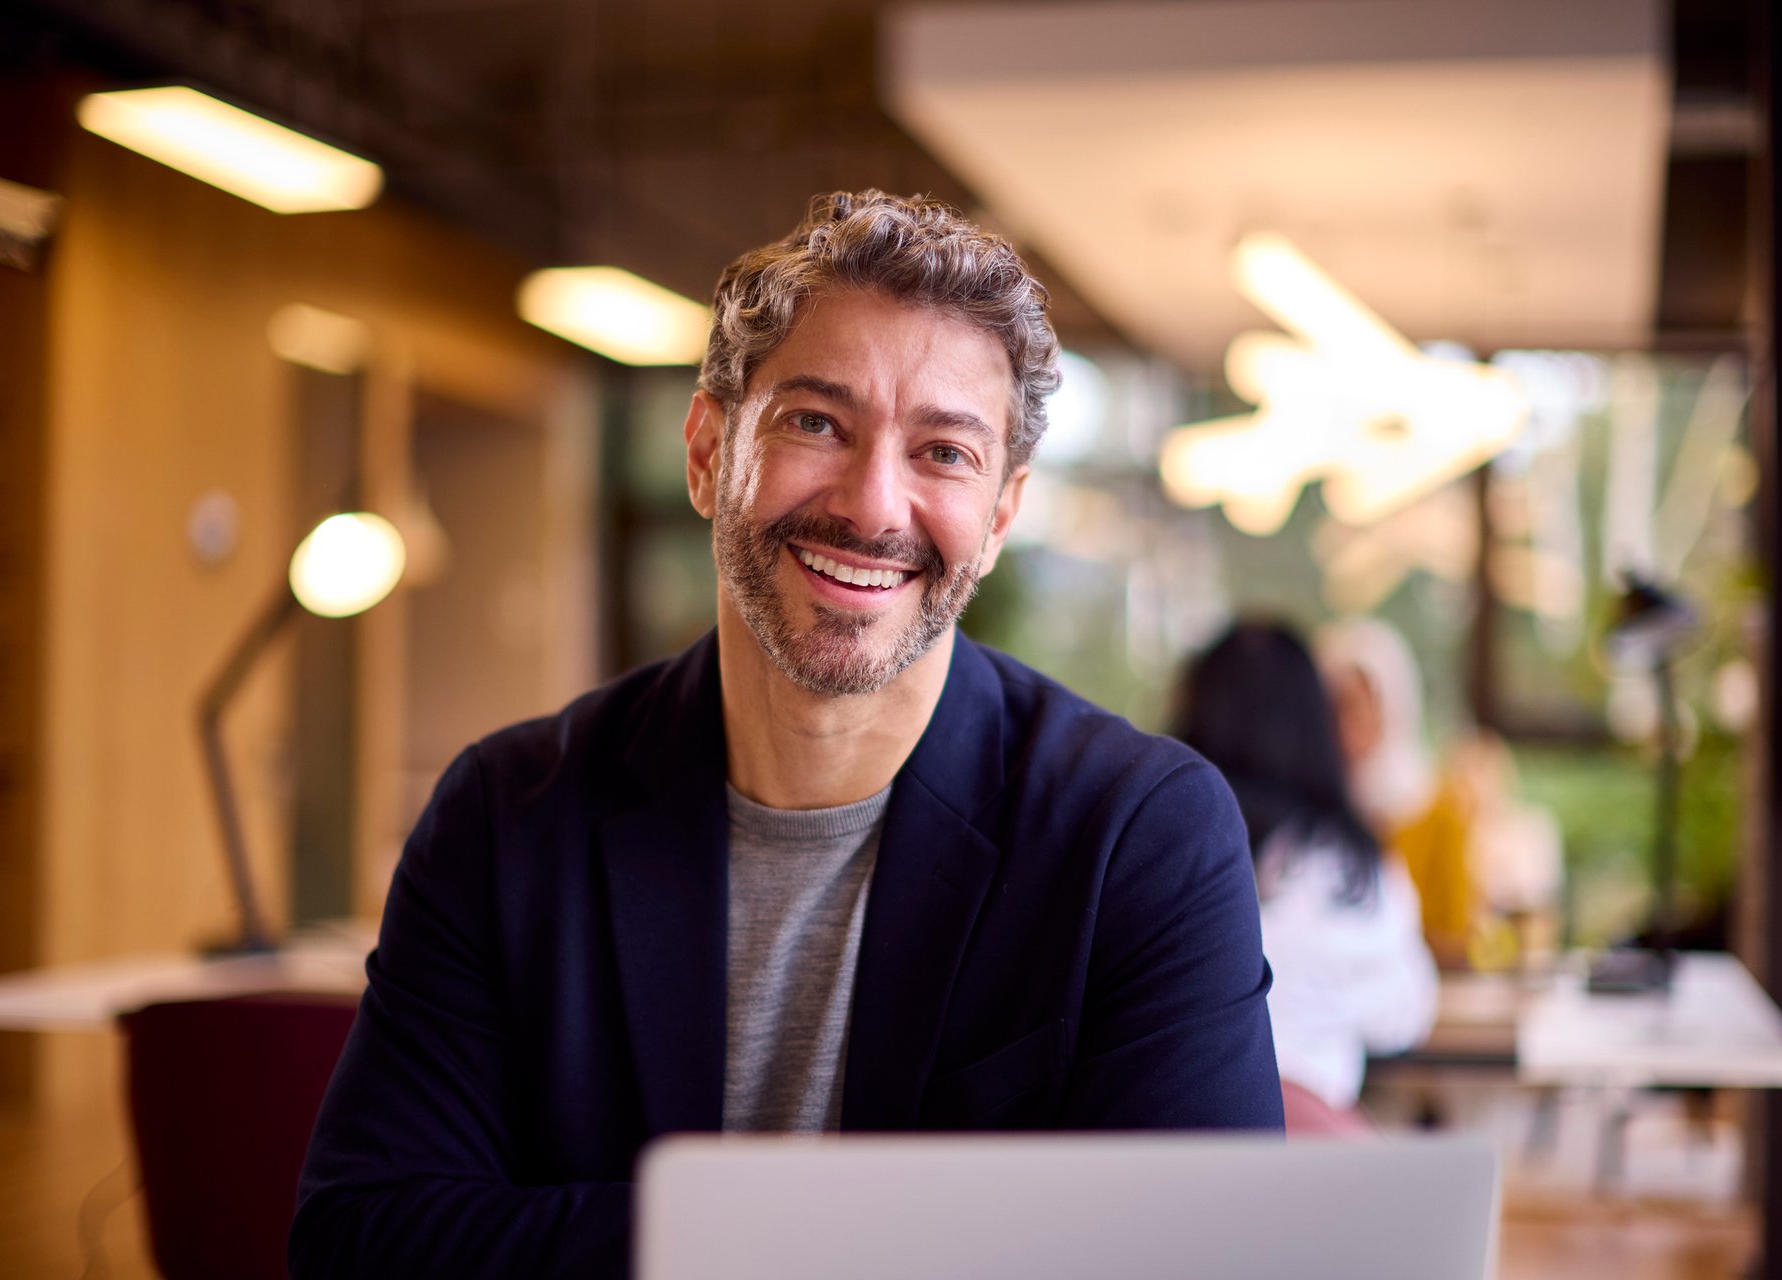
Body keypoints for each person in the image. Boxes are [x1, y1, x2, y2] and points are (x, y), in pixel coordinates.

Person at [291, 190, 1282, 1279]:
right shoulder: (507, 812)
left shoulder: (1140, 835)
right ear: (710, 450)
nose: (872, 505)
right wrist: (824, 1235)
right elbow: (366, 1242)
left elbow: (1208, 1259)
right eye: (816, 421)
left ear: (999, 517)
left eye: (944, 452)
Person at [1176, 621, 1437, 1120]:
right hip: (1309, 1139)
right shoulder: (1352, 866)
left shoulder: (1154, 845)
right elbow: (1405, 1015)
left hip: (1168, 1142)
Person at [1316, 616, 1482, 967]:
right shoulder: (1313, 806)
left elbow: (1455, 936)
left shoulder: (1436, 807)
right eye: (1332, 707)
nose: (1346, 726)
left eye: (1356, 705)